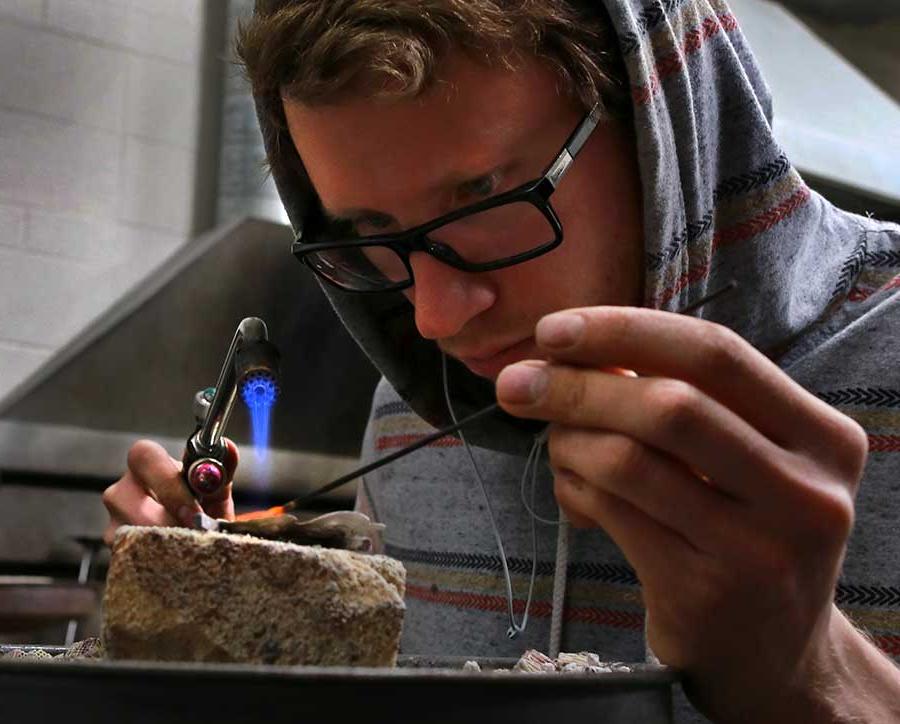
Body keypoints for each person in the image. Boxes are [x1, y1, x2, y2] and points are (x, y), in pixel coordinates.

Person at [102, 0, 900, 720]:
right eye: (373, 233)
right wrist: (241, 612)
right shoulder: (411, 408)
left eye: (485, 200)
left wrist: (814, 673)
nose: (436, 315)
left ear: (661, 117)